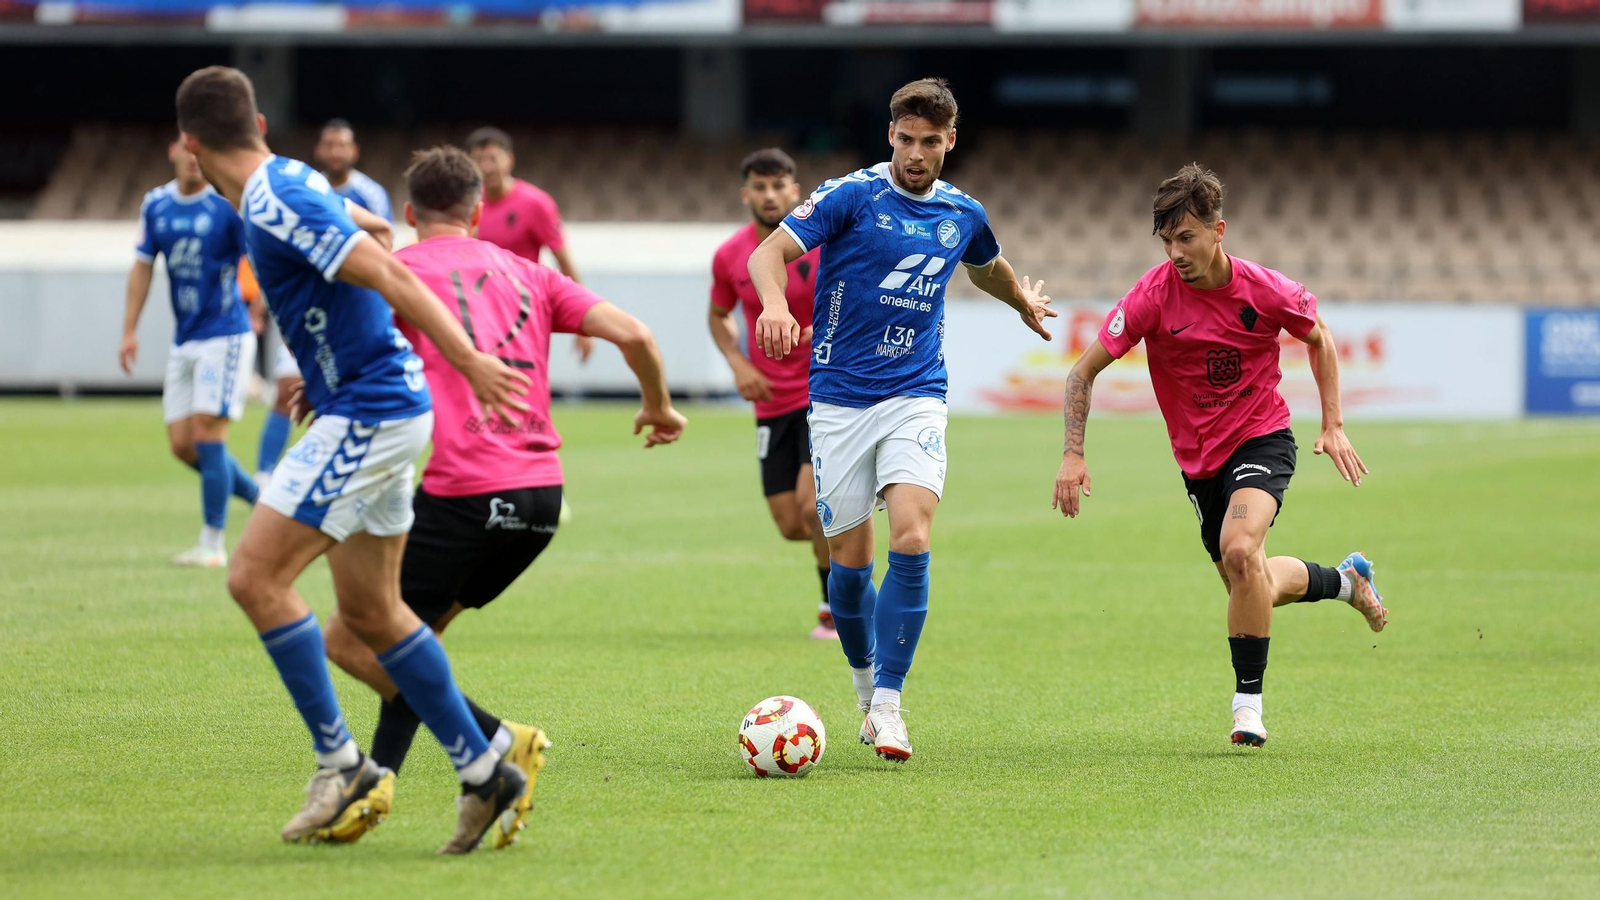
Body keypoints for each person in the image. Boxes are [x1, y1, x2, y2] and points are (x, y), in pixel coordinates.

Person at [176, 65, 531, 854]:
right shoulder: (289, 181)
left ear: (191, 147)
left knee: (254, 578)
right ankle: (485, 768)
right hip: (371, 403)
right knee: (373, 613)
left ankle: (343, 765)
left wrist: (467, 358)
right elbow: (369, 232)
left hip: (371, 412)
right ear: (261, 126)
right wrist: (325, 360)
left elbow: (385, 266)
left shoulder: (274, 198)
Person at [320, 145, 686, 848]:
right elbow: (636, 333)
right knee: (413, 642)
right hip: (541, 499)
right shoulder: (529, 273)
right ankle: (375, 785)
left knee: (349, 634)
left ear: (407, 213)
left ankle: (495, 745)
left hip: (464, 492)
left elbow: (360, 358)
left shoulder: (398, 275)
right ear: (479, 209)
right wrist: (659, 407)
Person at [748, 78, 1056, 762]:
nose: (917, 153)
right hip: (836, 402)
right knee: (849, 572)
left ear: (951, 141)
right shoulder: (851, 195)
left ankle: (889, 703)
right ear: (891, 135)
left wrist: (1021, 302)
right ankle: (863, 694)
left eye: (931, 142)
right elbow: (766, 253)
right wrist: (774, 305)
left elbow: (985, 266)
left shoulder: (962, 212)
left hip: (916, 393)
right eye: (906, 139)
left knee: (911, 538)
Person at [1051, 163, 1389, 748]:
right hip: (1198, 462)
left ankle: (1247, 709)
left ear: (1218, 231)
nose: (1175, 252)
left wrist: (1332, 423)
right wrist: (1072, 455)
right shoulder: (1152, 296)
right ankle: (1346, 581)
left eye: (1186, 238)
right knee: (1248, 578)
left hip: (1262, 437)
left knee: (1239, 549)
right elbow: (1082, 372)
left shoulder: (1264, 290)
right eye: (1166, 241)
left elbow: (1319, 337)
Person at [708, 148, 833, 639]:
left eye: (778, 185)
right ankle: (850, 535)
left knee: (811, 506)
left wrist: (823, 331)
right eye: (759, 187)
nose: (769, 195)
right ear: (746, 195)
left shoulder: (823, 246)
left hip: (823, 391)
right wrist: (738, 363)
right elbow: (717, 315)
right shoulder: (728, 255)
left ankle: (834, 609)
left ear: (795, 191)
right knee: (791, 524)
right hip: (769, 402)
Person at [120, 135, 260, 566]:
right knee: (183, 445)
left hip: (226, 334)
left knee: (207, 432)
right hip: (185, 340)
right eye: (187, 149)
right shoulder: (156, 205)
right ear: (173, 152)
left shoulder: (225, 209)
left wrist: (264, 311)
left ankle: (212, 544)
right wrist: (129, 330)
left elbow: (262, 262)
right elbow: (143, 270)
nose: (194, 159)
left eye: (202, 151)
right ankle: (264, 501)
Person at [467, 126, 593, 364]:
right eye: (479, 160)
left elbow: (564, 261)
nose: (486, 167)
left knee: (523, 386)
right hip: (480, 313)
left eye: (493, 158)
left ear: (509, 159)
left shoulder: (535, 204)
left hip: (523, 311)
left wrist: (582, 320)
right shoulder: (468, 205)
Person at [313, 118, 392, 221]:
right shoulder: (310, 189)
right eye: (329, 145)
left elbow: (385, 234)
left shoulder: (373, 194)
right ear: (318, 150)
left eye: (342, 145)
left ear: (355, 151)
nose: (335, 153)